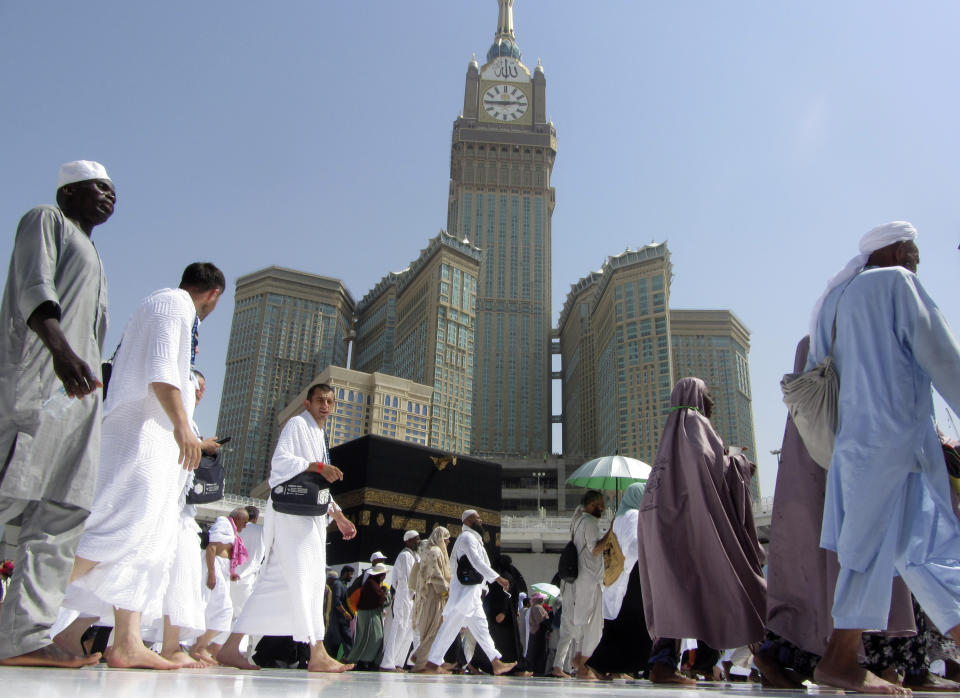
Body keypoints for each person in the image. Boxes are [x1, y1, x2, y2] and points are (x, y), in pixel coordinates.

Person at [804, 222, 960, 695]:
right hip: (896, 441)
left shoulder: (834, 299)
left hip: (855, 446)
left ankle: (843, 658)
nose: (916, 262)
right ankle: (840, 660)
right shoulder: (896, 283)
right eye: (911, 252)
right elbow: (941, 355)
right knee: (885, 549)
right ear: (890, 250)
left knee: (923, 549)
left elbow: (818, 368)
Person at [54, 262, 225, 670]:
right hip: (140, 437)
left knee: (144, 543)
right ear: (214, 295)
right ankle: (22, 617)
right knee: (113, 532)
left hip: (156, 442)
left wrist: (185, 433)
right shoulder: (172, 304)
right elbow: (162, 369)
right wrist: (183, 427)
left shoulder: (173, 308)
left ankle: (127, 642)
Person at [0, 161, 115, 668]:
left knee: (62, 512)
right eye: (98, 187)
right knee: (11, 492)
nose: (109, 196)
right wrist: (61, 352)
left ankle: (23, 636)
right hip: (41, 381)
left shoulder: (95, 253)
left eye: (113, 190)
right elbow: (34, 286)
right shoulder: (46, 219)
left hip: (80, 402)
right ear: (69, 191)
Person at [758, 336, 917, 688]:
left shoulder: (803, 403)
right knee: (857, 557)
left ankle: (789, 655)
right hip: (847, 466)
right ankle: (868, 660)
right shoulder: (842, 388)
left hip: (809, 482)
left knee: (810, 572)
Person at [217, 383, 357, 673]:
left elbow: (316, 488)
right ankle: (317, 653)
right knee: (309, 579)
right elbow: (280, 463)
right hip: (293, 518)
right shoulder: (297, 424)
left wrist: (339, 516)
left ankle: (230, 648)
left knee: (276, 582)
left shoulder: (319, 433)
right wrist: (318, 467)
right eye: (320, 400)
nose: (325, 406)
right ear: (308, 403)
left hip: (308, 518)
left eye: (330, 401)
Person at [638, 377, 766, 684]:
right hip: (690, 524)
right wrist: (740, 464)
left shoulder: (671, 431)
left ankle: (663, 663)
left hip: (661, 523)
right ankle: (767, 656)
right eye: (708, 395)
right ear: (697, 397)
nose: (712, 402)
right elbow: (714, 469)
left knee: (673, 591)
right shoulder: (697, 424)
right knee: (737, 580)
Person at [422, 510, 516, 675]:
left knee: (481, 627)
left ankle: (496, 662)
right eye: (478, 518)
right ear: (469, 520)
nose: (481, 521)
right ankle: (432, 662)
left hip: (472, 592)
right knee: (451, 626)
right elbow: (476, 561)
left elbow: (477, 564)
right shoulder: (466, 538)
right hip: (464, 593)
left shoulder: (474, 539)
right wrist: (498, 579)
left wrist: (485, 587)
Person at [586, 482, 652, 678]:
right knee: (635, 626)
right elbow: (634, 546)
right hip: (631, 578)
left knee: (618, 627)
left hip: (617, 580)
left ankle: (611, 667)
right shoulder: (634, 515)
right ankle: (602, 665)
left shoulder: (619, 518)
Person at [190, 507, 249, 663]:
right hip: (214, 569)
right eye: (244, 523)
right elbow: (212, 548)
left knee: (214, 609)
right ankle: (199, 647)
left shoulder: (230, 530)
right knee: (225, 610)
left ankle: (201, 647)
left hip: (221, 571)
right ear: (238, 519)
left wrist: (230, 573)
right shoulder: (223, 523)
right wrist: (211, 573)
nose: (245, 527)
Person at [563, 491, 610, 679]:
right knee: (594, 625)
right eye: (600, 505)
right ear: (591, 506)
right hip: (591, 579)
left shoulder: (578, 520)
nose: (603, 508)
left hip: (581, 579)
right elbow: (595, 548)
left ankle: (578, 659)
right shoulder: (590, 522)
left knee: (583, 623)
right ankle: (585, 666)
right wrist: (611, 533)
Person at [410, 526, 451, 672]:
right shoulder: (435, 551)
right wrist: (446, 593)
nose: (448, 542)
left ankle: (420, 656)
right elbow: (435, 576)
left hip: (430, 596)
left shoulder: (429, 551)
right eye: (446, 539)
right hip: (434, 596)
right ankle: (420, 664)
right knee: (433, 629)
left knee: (431, 630)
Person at [380, 529, 420, 671]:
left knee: (408, 631)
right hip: (405, 596)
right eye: (416, 539)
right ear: (408, 541)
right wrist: (415, 592)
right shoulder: (404, 556)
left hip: (413, 598)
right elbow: (410, 578)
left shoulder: (415, 556)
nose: (418, 541)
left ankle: (398, 663)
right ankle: (387, 663)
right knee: (399, 628)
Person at [345, 562, 391, 670]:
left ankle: (365, 661)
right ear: (380, 575)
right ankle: (364, 661)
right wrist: (386, 593)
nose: (385, 576)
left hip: (368, 614)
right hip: (369, 615)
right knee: (373, 637)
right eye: (384, 574)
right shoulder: (372, 585)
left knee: (367, 637)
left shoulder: (372, 584)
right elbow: (383, 600)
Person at [230, 504, 265, 624]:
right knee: (243, 618)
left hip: (229, 575)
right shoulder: (262, 531)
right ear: (255, 519)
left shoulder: (234, 529)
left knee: (227, 614)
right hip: (248, 579)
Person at [525, 593, 551, 674]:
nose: (542, 600)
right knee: (539, 652)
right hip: (538, 632)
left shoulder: (533, 607)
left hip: (534, 632)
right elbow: (541, 620)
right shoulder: (537, 607)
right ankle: (537, 670)